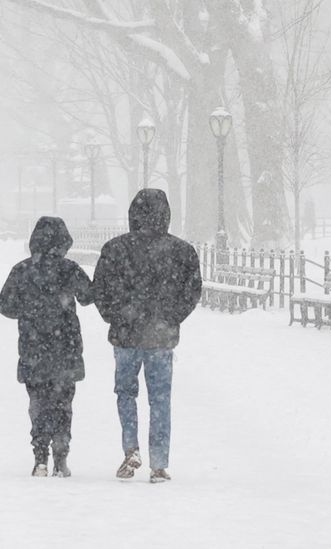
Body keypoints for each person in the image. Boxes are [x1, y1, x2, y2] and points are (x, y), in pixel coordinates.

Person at [92, 189, 201, 484]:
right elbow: (191, 291)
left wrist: (115, 316)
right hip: (161, 337)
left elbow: (99, 289)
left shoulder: (115, 249)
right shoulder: (181, 251)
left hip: (126, 335)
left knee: (126, 393)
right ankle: (159, 463)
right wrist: (171, 317)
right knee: (160, 398)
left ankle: (131, 448)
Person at [0, 217, 92, 478]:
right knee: (63, 402)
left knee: (38, 401)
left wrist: (30, 311)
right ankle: (61, 455)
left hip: (33, 346)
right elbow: (88, 296)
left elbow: (5, 305)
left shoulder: (22, 270)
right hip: (67, 346)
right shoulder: (69, 269)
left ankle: (40, 457)